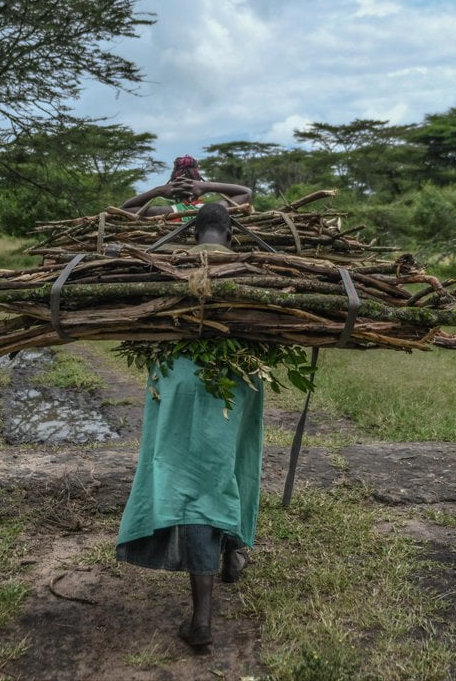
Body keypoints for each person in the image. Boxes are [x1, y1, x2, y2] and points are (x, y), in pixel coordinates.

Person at [115, 203, 264, 650]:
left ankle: (229, 556)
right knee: (227, 466)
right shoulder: (255, 267)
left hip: (176, 377)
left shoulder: (169, 264)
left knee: (186, 473)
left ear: (193, 232)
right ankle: (204, 613)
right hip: (236, 380)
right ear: (229, 233)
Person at [120, 155, 252, 219]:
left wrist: (158, 191)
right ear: (198, 181)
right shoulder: (214, 209)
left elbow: (124, 210)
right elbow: (246, 193)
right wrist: (207, 186)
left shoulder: (163, 212)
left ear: (172, 184)